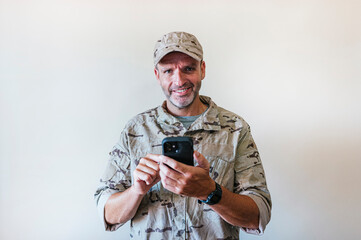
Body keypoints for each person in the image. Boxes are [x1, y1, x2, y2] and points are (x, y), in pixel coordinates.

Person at [94, 31, 272, 239]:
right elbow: (107, 214)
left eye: (188, 69)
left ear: (202, 69)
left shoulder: (235, 129)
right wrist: (136, 191)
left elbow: (258, 215)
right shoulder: (135, 130)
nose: (179, 81)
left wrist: (210, 192)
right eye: (168, 70)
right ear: (157, 75)